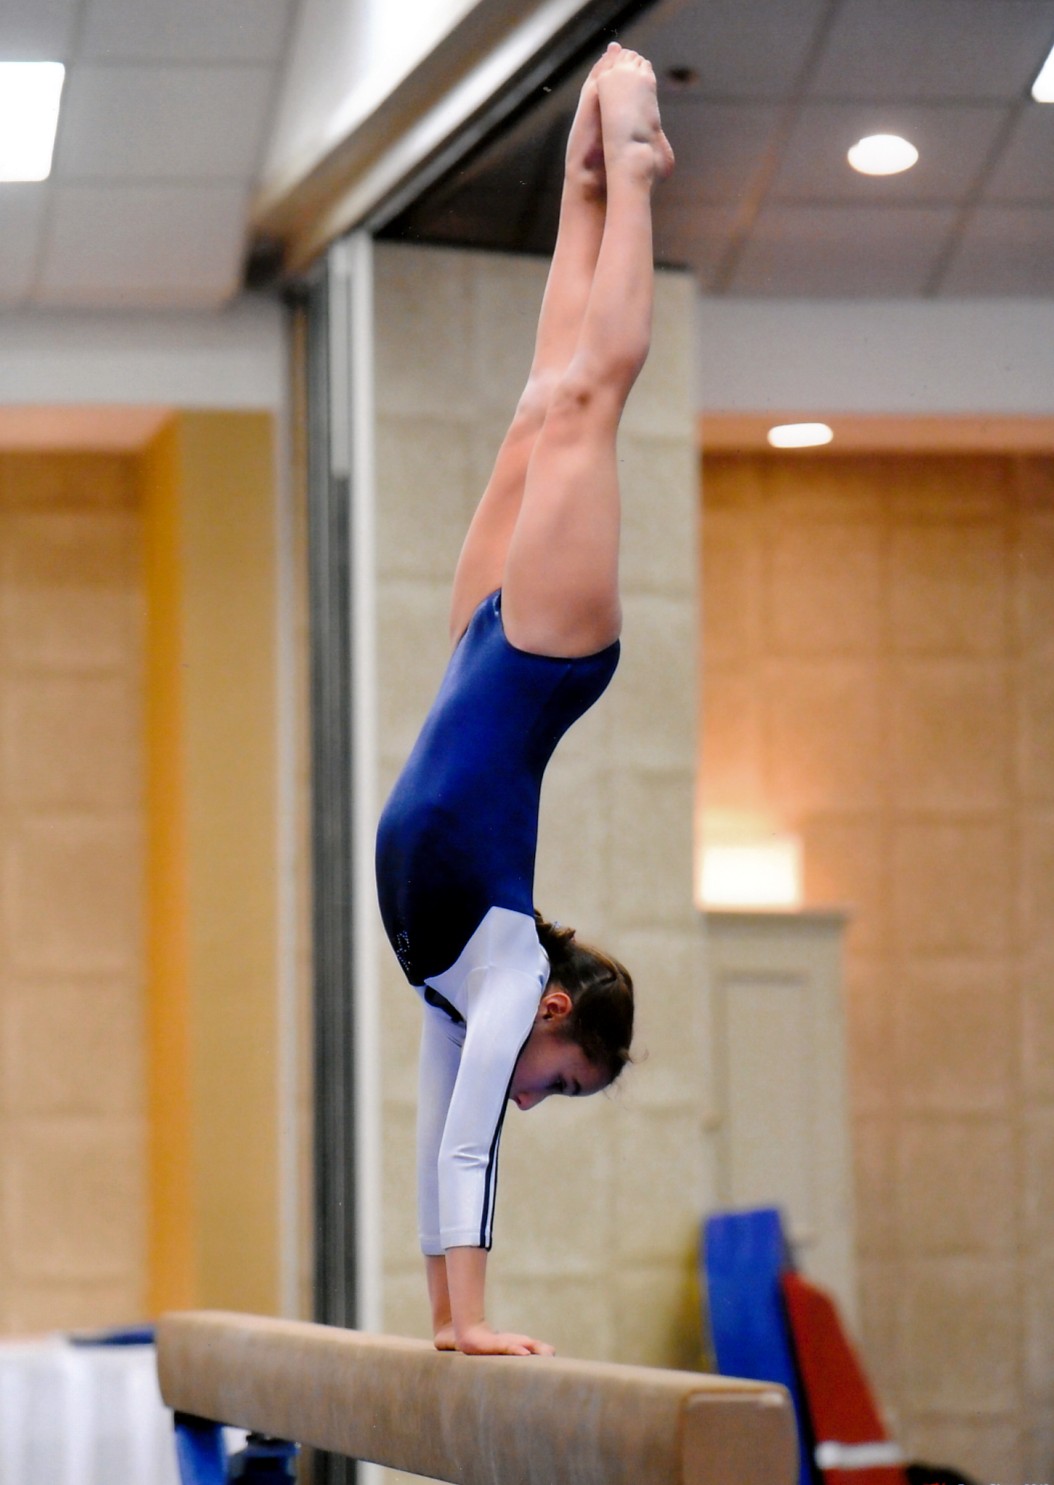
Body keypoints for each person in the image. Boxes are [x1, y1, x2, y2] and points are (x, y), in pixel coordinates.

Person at [375, 42, 674, 1357]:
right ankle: (638, 164)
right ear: (557, 1013)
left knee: (541, 401)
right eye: (565, 1078)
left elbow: (441, 1129)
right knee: (593, 401)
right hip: (545, 655)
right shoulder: (497, 971)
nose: (537, 1095)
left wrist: (451, 1324)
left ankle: (585, 169)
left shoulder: (462, 995)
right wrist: (476, 1323)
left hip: (475, 651)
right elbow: (470, 1140)